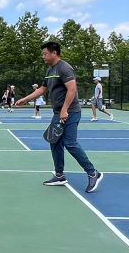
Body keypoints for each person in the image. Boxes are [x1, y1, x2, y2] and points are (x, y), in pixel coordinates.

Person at [15, 42, 103, 192]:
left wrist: (64, 110)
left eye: (45, 54)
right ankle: (60, 175)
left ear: (54, 53)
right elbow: (43, 89)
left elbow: (72, 89)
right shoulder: (50, 70)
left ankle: (93, 173)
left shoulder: (64, 68)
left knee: (70, 143)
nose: (43, 56)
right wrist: (26, 99)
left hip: (71, 112)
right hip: (59, 113)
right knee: (54, 141)